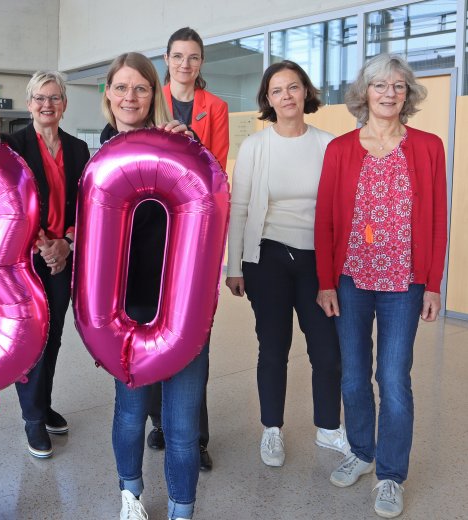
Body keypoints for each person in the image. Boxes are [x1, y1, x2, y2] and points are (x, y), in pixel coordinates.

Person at [315, 53, 447, 519]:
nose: (389, 93)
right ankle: (362, 452)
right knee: (352, 376)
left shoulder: (428, 147)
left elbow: (437, 219)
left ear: (406, 94)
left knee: (392, 379)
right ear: (363, 93)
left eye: (398, 86)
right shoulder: (340, 149)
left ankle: (390, 474)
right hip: (351, 279)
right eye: (379, 85)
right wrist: (326, 281)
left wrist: (433, 285)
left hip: (403, 284)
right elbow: (327, 219)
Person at [99, 51, 206, 520]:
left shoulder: (179, 142)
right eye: (121, 87)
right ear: (108, 94)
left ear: (153, 94)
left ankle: (182, 509)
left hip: (182, 303)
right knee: (131, 409)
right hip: (126, 307)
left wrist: (191, 145)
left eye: (140, 88)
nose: (130, 96)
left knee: (182, 422)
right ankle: (131, 496)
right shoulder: (99, 151)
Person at [225, 60, 347, 468]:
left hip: (318, 260)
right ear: (268, 100)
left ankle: (329, 429)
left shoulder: (329, 144)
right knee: (273, 347)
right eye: (277, 91)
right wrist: (235, 266)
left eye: (293, 87)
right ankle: (272, 429)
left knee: (327, 350)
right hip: (268, 257)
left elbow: (342, 209)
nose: (286, 96)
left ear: (305, 92)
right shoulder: (256, 146)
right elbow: (239, 209)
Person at [145, 26, 230, 471]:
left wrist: (192, 143)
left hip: (194, 235)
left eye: (193, 57)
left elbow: (216, 170)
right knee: (153, 327)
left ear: (201, 63)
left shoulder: (214, 107)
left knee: (195, 334)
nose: (185, 64)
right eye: (178, 56)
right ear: (166, 58)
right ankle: (160, 422)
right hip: (151, 232)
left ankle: (196, 436)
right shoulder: (148, 97)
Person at [3, 71, 90, 458]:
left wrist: (66, 244)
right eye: (40, 98)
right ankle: (32, 419)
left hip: (63, 256)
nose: (47, 105)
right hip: (27, 258)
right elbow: (11, 204)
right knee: (32, 338)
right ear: (29, 103)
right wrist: (43, 245)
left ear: (64, 104)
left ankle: (43, 401)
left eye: (54, 98)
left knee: (53, 335)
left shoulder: (77, 149)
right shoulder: (13, 145)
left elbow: (85, 206)